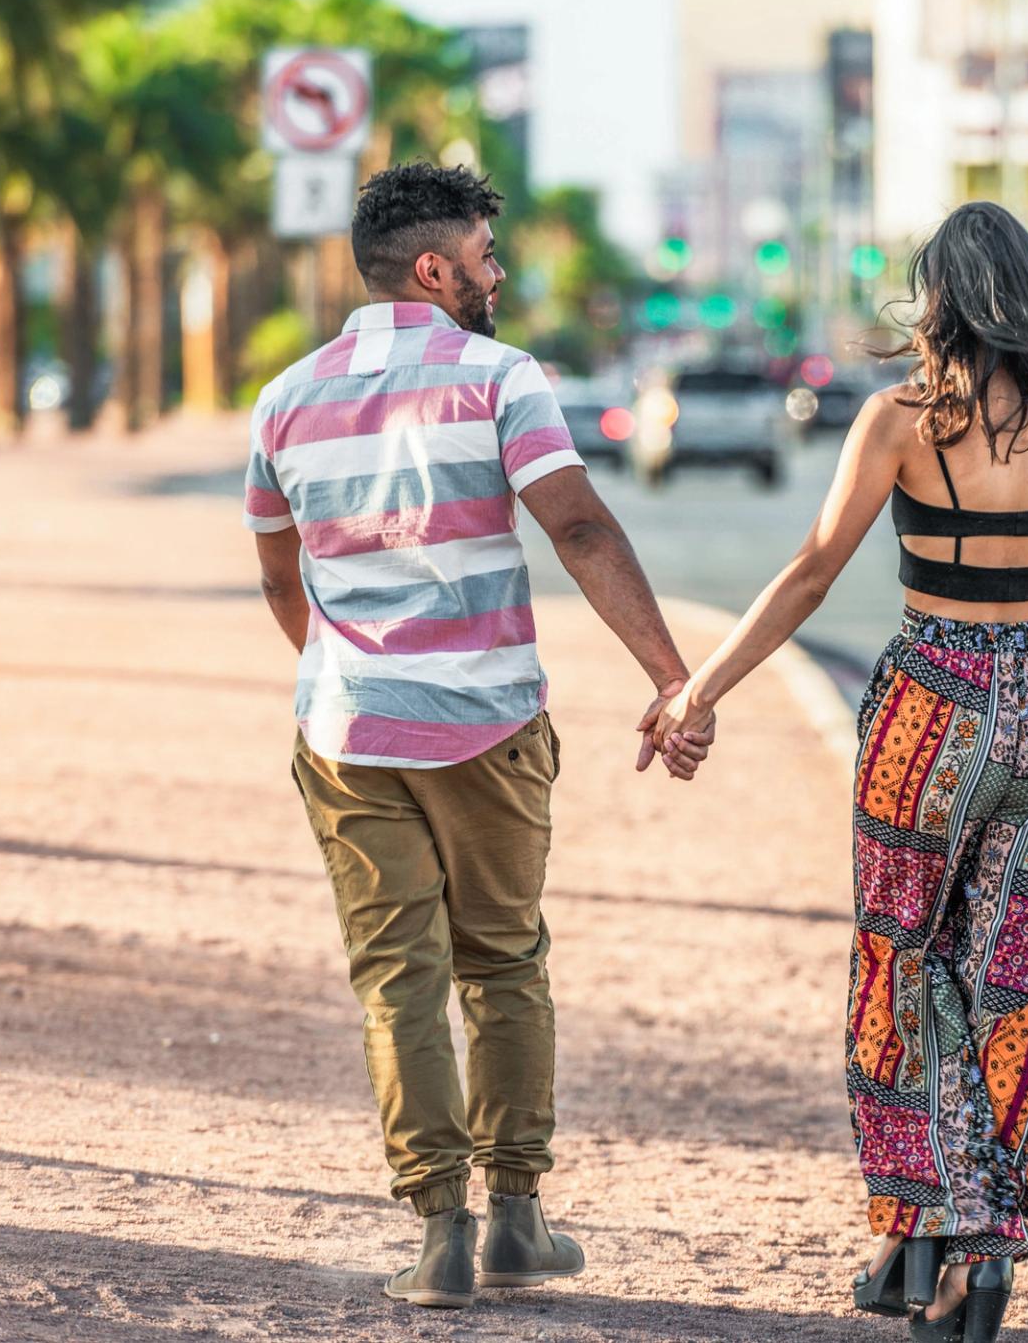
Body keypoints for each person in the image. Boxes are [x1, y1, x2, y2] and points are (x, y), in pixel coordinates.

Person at [647, 201, 1028, 1342]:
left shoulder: (899, 419)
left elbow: (808, 576)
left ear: (939, 298)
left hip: (932, 712)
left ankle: (944, 1216)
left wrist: (701, 688)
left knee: (906, 963)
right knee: (1015, 977)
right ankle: (973, 1245)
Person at [243, 161, 715, 1309]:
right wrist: (674, 680)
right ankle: (517, 1218)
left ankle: (438, 1234)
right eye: (487, 260)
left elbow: (277, 573)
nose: (498, 277)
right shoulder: (501, 378)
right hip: (489, 724)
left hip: (349, 733)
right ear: (435, 268)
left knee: (395, 978)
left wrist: (354, 671)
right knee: (501, 962)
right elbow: (582, 529)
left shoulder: (286, 398)